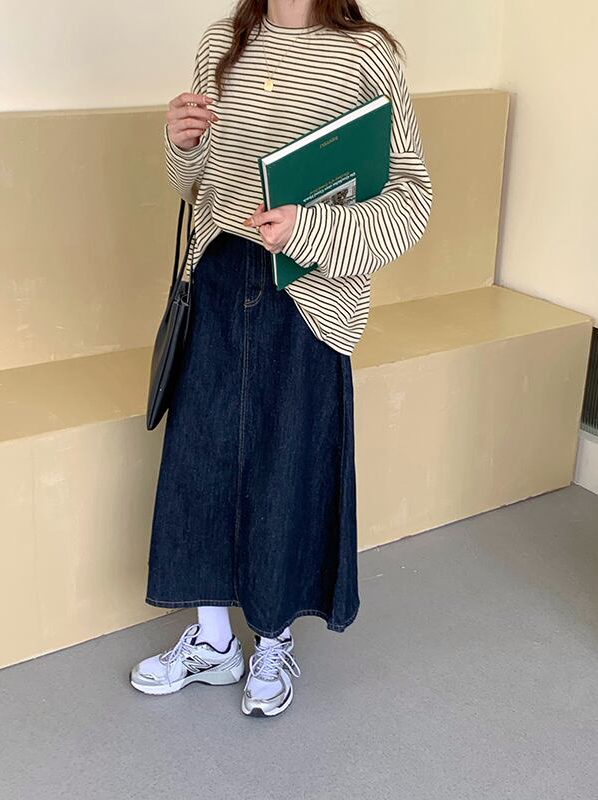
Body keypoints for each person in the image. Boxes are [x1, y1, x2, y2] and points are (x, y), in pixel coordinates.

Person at [130, 0, 432, 718]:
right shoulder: (221, 43)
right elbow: (195, 182)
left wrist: (310, 226)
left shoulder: (365, 55)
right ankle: (213, 642)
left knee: (286, 464)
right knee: (199, 460)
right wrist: (180, 143)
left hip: (308, 292)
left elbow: (411, 199)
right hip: (218, 278)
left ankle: (273, 639)